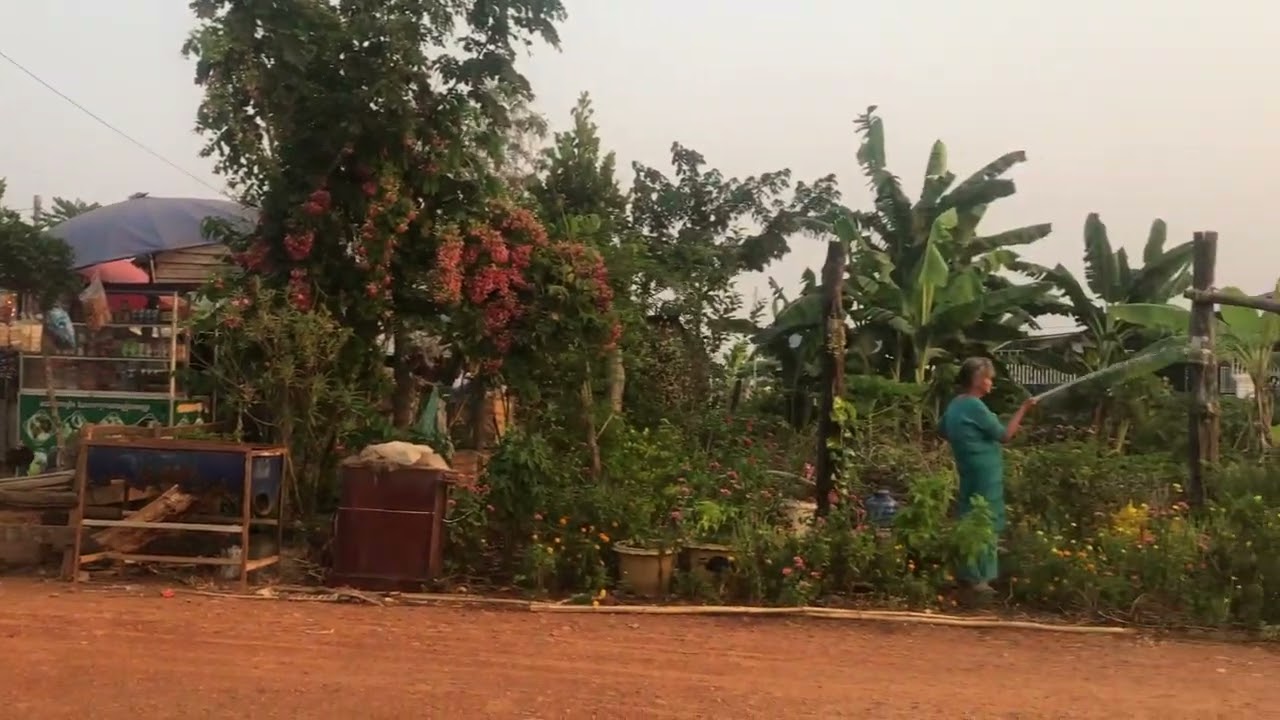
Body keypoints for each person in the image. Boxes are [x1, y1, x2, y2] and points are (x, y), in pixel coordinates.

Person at [937, 357, 1036, 597]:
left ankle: (965, 572)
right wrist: (1023, 409)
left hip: (968, 467)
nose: (991, 383)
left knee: (968, 514)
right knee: (985, 517)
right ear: (978, 380)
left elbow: (942, 429)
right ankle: (980, 579)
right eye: (989, 378)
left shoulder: (956, 404)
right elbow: (1004, 435)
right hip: (985, 470)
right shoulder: (975, 406)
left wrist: (966, 443)